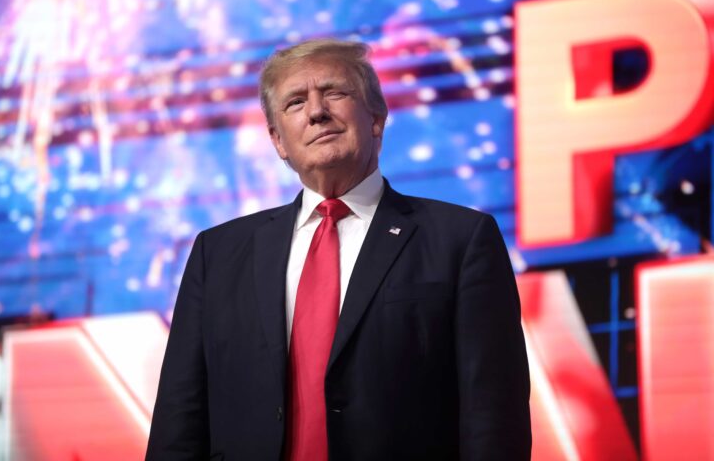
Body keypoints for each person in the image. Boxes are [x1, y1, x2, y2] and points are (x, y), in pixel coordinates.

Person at [146, 39, 531, 460]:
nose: (316, 111)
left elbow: (494, 418)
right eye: (295, 102)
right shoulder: (217, 254)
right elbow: (179, 420)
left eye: (334, 92)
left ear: (376, 119)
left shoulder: (460, 240)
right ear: (278, 141)